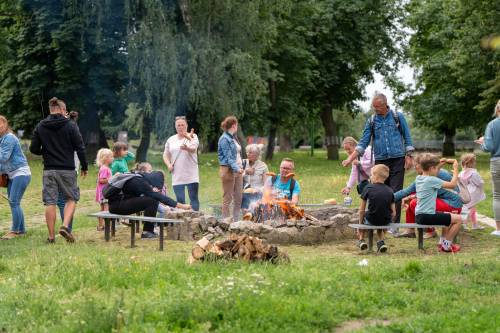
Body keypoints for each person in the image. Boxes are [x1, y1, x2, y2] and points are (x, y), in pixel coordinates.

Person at [342, 93, 414, 229]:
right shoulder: (372, 121)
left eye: (377, 107)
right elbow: (363, 142)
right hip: (381, 161)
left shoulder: (397, 117)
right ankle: (383, 221)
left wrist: (409, 155)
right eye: (373, 107)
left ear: (385, 104)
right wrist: (349, 158)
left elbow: (407, 137)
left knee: (396, 191)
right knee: (382, 191)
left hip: (398, 158)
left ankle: (394, 224)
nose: (375, 110)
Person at [29, 97, 88, 243]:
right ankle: (65, 226)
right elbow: (80, 147)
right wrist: (85, 166)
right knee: (71, 198)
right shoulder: (70, 125)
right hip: (67, 169)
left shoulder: (41, 125)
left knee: (50, 202)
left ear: (50, 110)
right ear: (62, 109)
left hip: (49, 170)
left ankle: (50, 237)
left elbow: (33, 148)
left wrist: (46, 152)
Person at [107, 169, 191, 239]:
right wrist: (182, 206)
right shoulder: (140, 182)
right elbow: (159, 197)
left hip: (116, 204)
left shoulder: (139, 177)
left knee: (150, 199)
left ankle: (148, 230)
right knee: (152, 200)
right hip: (117, 206)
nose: (157, 189)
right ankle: (147, 232)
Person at [395, 155, 463, 238]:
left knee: (415, 203)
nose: (415, 167)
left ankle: (431, 231)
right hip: (441, 200)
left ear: (423, 165)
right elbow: (407, 191)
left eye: (416, 165)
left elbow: (452, 187)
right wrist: (388, 197)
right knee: (415, 203)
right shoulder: (422, 177)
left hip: (453, 203)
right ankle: (411, 230)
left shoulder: (437, 175)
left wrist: (455, 170)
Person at [415, 153, 462, 253]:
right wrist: (456, 170)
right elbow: (453, 185)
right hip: (427, 216)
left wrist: (440, 163)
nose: (438, 170)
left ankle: (442, 242)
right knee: (458, 219)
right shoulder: (432, 180)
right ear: (432, 168)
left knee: (446, 215)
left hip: (419, 216)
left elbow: (431, 170)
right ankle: (446, 245)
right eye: (437, 168)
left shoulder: (419, 178)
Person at [0, 116, 32, 240]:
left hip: (21, 173)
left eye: (0, 123)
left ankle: (15, 231)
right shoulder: (1, 139)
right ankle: (21, 230)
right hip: (11, 175)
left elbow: (3, 157)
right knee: (14, 202)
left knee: (14, 202)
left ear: (5, 124)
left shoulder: (9, 138)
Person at [163, 116, 200, 211]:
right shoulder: (171, 140)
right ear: (175, 127)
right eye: (178, 125)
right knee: (180, 200)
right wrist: (168, 165)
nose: (180, 127)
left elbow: (193, 149)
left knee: (194, 198)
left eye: (182, 125)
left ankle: (196, 220)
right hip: (177, 175)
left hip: (191, 174)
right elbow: (165, 155)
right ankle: (182, 222)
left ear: (186, 125)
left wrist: (187, 148)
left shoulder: (193, 136)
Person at [475, 99, 500, 236]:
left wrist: (482, 143)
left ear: (497, 110)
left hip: (497, 161)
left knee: (498, 195)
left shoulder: (492, 125)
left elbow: (489, 147)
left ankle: (499, 229)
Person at [357, 164, 395, 253]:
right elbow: (394, 212)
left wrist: (360, 225)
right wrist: (388, 223)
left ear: (375, 176)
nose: (370, 177)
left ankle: (361, 240)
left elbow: (361, 210)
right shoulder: (390, 190)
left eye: (371, 175)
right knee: (380, 218)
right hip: (385, 220)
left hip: (372, 219)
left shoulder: (368, 188)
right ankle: (381, 242)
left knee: (366, 216)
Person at [57, 110, 79, 233]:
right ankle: (67, 228)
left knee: (63, 200)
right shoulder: (73, 129)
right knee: (69, 200)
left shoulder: (64, 130)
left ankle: (67, 227)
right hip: (71, 169)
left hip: (61, 169)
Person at [218, 116, 243, 220]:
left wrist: (240, 167)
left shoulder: (233, 137)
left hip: (238, 169)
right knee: (227, 197)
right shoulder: (224, 139)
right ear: (234, 125)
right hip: (228, 170)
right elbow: (229, 158)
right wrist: (237, 168)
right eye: (236, 125)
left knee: (238, 197)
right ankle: (226, 221)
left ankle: (236, 221)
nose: (237, 127)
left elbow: (237, 155)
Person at [459, 153, 486, 230]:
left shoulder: (462, 172)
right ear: (471, 163)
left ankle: (474, 224)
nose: (475, 163)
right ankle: (463, 224)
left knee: (472, 209)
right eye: (474, 161)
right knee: (469, 209)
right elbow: (479, 183)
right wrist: (482, 182)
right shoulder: (473, 173)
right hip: (473, 193)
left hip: (465, 193)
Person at [241, 144, 268, 210]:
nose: (248, 154)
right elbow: (235, 178)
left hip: (258, 194)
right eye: (247, 152)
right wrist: (245, 172)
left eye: (250, 152)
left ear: (257, 155)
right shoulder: (243, 163)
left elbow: (266, 184)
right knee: (246, 215)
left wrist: (258, 190)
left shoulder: (263, 166)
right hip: (244, 194)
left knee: (256, 213)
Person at [95, 148, 114, 231]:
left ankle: (101, 226)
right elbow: (101, 180)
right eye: (111, 157)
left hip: (103, 192)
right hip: (105, 192)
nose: (112, 158)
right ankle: (107, 226)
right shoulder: (104, 168)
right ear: (105, 158)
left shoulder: (104, 168)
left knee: (102, 209)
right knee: (106, 209)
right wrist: (112, 178)